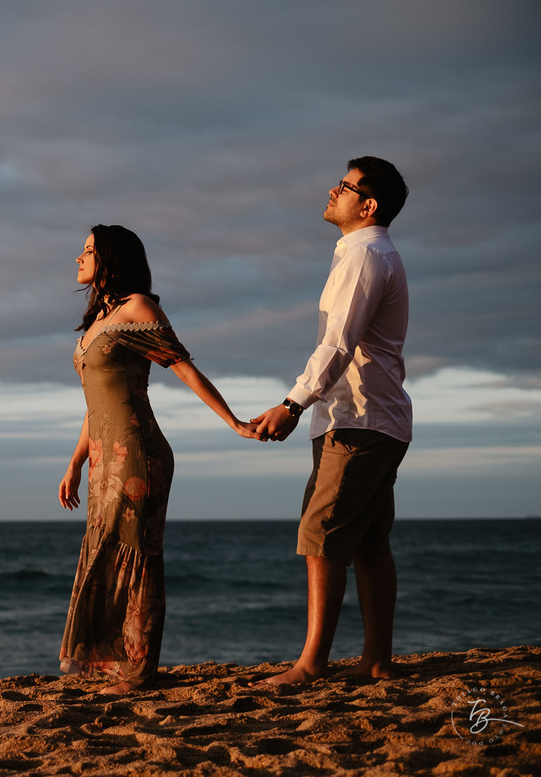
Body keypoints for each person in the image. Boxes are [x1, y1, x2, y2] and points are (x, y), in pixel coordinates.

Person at [58, 224, 259, 695]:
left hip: (138, 456)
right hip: (103, 462)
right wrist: (74, 463)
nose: (78, 258)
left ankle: (140, 672)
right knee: (108, 554)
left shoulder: (139, 309)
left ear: (111, 257)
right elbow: (95, 406)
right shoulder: (98, 322)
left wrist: (232, 421)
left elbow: (183, 367)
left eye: (88, 250)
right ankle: (117, 664)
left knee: (138, 555)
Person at [252, 156, 412, 685]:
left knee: (320, 534)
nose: (332, 190)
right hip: (371, 417)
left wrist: (292, 403)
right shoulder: (367, 253)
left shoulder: (365, 255)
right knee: (368, 541)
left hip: (359, 418)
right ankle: (377, 661)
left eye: (344, 187)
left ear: (367, 205)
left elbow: (338, 343)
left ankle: (311, 664)